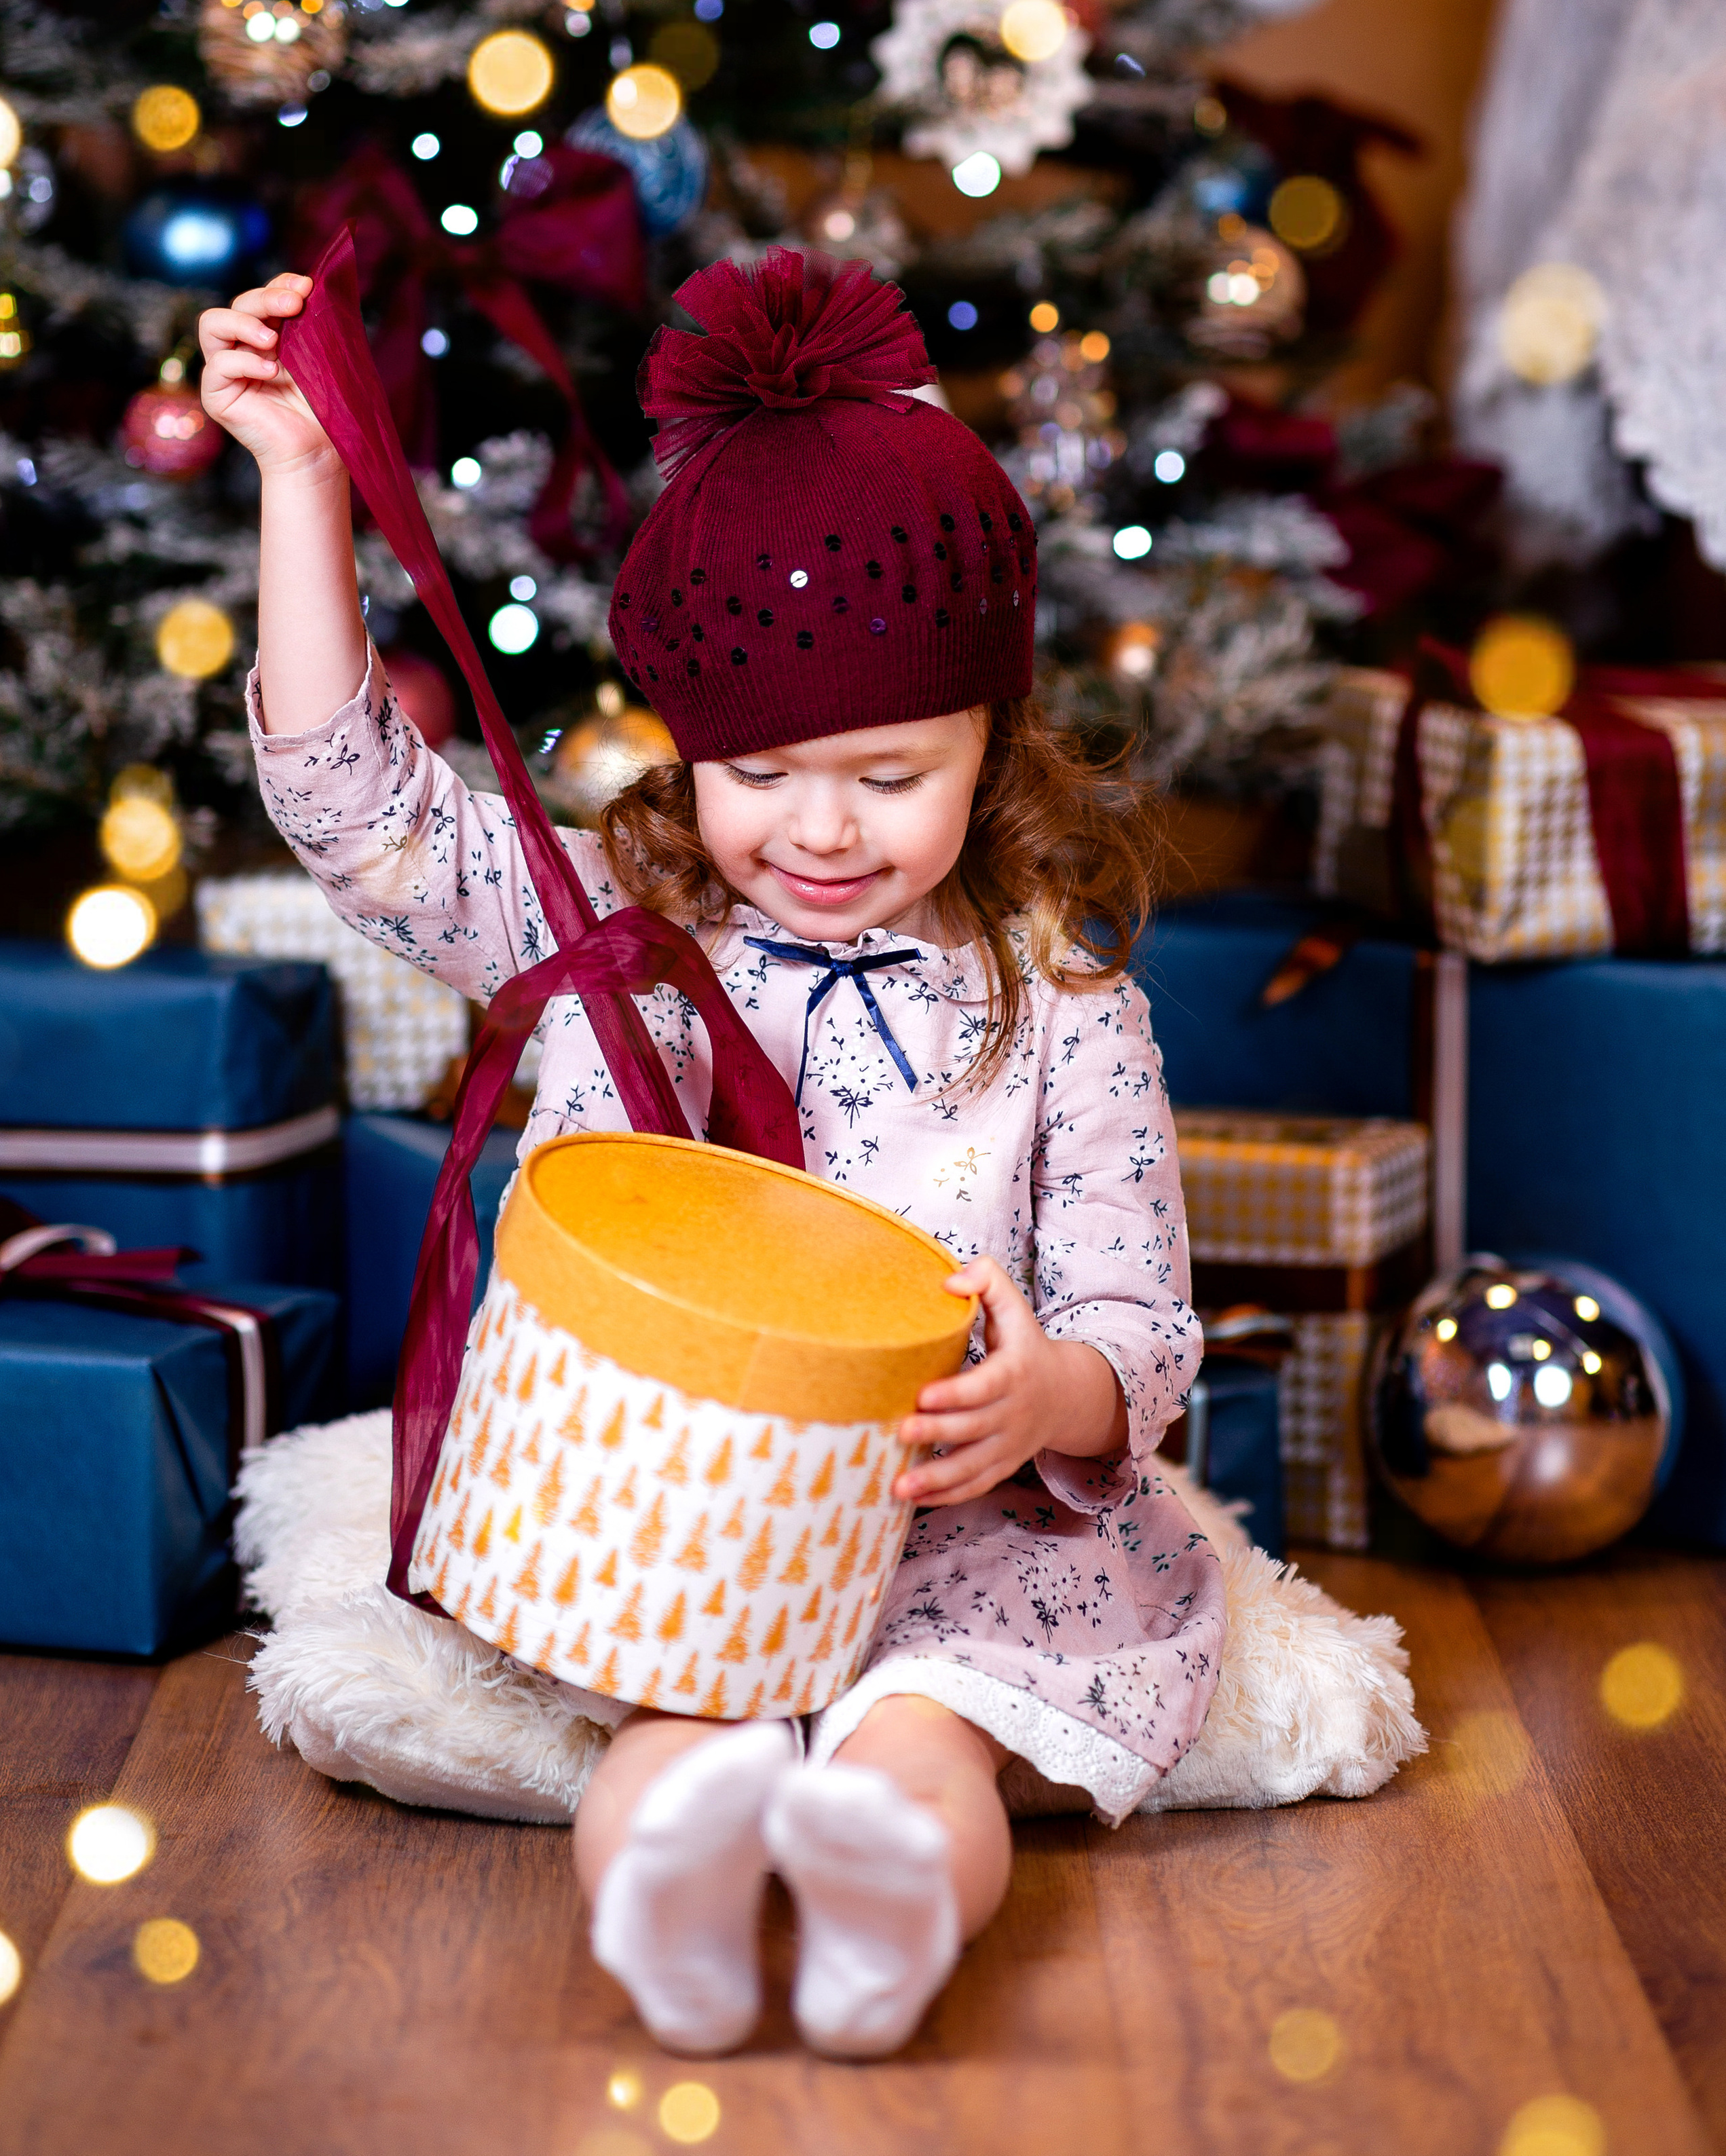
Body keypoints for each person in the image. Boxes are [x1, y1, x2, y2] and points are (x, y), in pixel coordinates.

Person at [199, 248, 1224, 2064]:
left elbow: (1144, 1323)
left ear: (992, 748)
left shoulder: (1066, 1008)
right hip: (680, 1539)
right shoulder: (611, 936)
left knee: (922, 1744)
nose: (818, 829)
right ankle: (667, 1914)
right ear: (688, 750)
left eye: (889, 775)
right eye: (759, 773)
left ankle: (884, 1917)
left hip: (957, 1551)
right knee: (675, 1747)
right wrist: (300, 483)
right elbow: (354, 806)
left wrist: (1051, 1394)